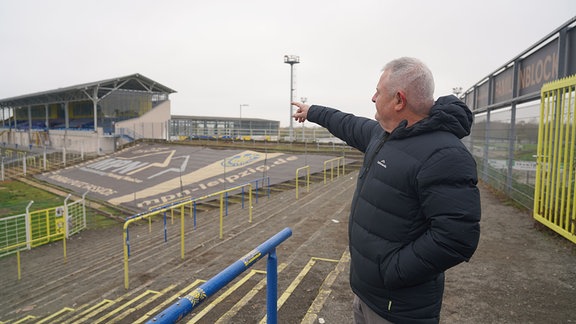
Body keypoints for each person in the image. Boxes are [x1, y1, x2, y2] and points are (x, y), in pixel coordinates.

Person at [292, 57, 481, 324]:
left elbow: (457, 237)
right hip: (368, 294)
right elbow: (346, 123)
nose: (372, 98)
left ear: (399, 100)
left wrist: (390, 271)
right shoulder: (384, 135)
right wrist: (312, 111)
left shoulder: (445, 155)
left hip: (399, 308)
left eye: (378, 92)